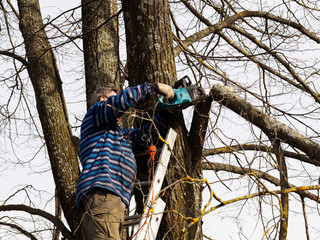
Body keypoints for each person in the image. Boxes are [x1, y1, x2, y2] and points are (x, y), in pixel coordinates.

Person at [76, 82, 174, 240]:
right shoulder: (95, 115)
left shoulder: (120, 134)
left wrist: (166, 112)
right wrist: (153, 88)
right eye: (114, 97)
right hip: (103, 193)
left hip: (112, 199)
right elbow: (118, 103)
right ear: (103, 99)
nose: (122, 105)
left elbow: (148, 136)